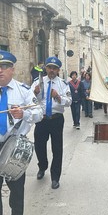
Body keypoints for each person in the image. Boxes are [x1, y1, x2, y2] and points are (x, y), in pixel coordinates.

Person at [0, 50, 43, 215]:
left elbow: (39, 113)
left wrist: (24, 114)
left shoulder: (23, 90)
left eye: (4, 66)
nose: (0, 70)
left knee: (17, 194)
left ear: (12, 69)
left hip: (15, 148)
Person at [31, 56, 72, 189]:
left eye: (54, 68)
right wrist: (34, 93)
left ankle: (55, 177)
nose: (52, 70)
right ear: (46, 68)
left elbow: (69, 101)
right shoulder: (38, 82)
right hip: (41, 119)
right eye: (49, 67)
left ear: (58, 70)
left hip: (56, 119)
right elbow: (30, 100)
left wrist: (58, 97)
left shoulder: (63, 84)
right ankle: (42, 166)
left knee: (57, 149)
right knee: (39, 146)